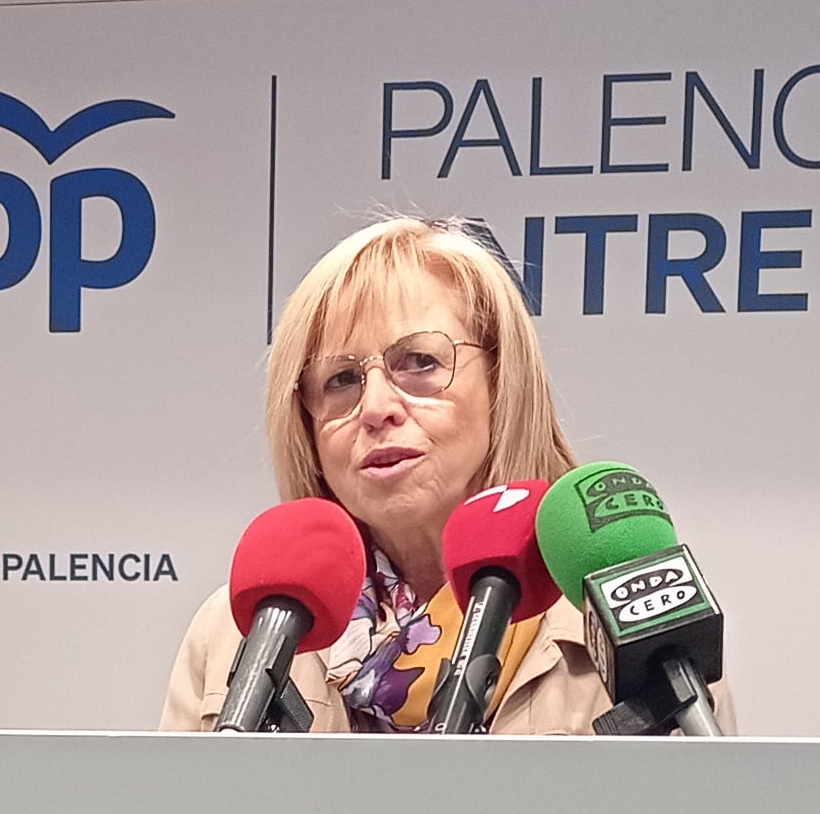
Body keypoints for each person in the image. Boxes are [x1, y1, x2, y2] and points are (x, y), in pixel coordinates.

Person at [159, 214, 630, 736]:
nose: (376, 406)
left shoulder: (620, 616)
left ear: (503, 383)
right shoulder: (233, 630)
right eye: (340, 379)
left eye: (420, 362)